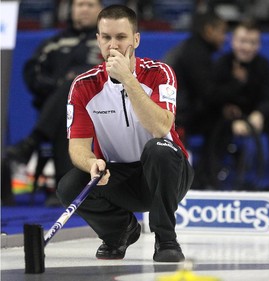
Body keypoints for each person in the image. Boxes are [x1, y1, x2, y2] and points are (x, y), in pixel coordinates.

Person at [56, 5, 194, 262]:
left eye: (121, 37)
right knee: (69, 186)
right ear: (98, 39)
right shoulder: (83, 86)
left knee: (157, 148)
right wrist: (91, 163)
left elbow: (161, 127)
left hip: (168, 171)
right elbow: (77, 146)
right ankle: (119, 231)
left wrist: (128, 80)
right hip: (118, 175)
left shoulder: (159, 73)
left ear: (136, 40)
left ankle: (166, 239)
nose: (113, 46)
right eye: (106, 38)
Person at [5, 0, 103, 203]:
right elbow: (34, 74)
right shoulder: (53, 43)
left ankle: (32, 142)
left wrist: (70, 83)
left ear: (100, 10)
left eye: (90, 5)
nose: (84, 9)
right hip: (61, 110)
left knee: (74, 87)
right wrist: (58, 85)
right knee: (68, 104)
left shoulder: (104, 40)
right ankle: (66, 189)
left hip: (98, 107)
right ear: (71, 10)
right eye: (80, 5)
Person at [206, 20, 269, 191]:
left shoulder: (264, 66)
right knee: (212, 125)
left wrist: (259, 114)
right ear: (233, 41)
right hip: (227, 118)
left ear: (258, 44)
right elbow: (212, 97)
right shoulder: (221, 64)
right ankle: (209, 182)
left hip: (255, 117)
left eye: (252, 42)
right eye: (243, 41)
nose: (247, 47)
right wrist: (229, 109)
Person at [164, 11, 227, 188]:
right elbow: (207, 93)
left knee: (216, 119)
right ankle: (203, 180)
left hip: (181, 110)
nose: (225, 38)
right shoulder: (195, 52)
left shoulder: (193, 48)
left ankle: (203, 177)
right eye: (221, 32)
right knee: (222, 123)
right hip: (178, 115)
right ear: (209, 30)